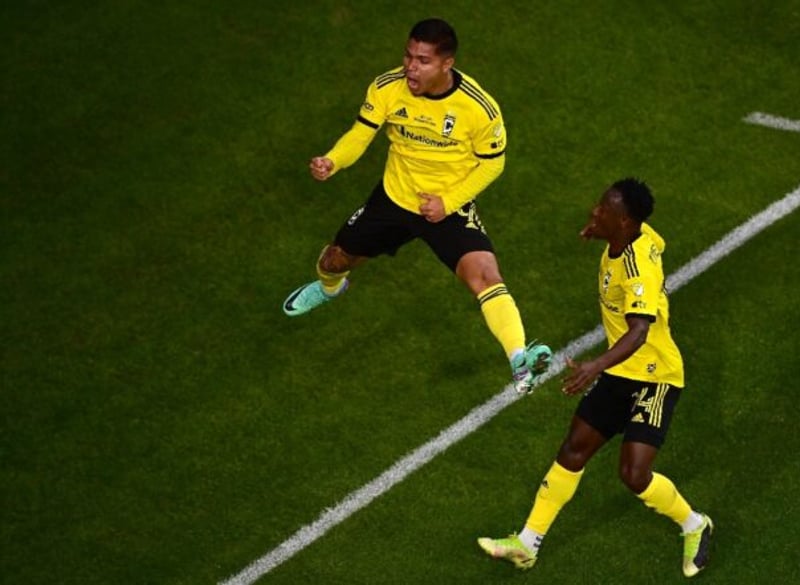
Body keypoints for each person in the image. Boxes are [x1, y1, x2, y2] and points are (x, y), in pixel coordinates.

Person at [282, 18, 550, 392]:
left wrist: (449, 201)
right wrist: (332, 160)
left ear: (446, 64)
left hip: (448, 206)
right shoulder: (387, 87)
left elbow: (494, 162)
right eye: (408, 56)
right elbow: (362, 132)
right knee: (334, 260)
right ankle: (329, 289)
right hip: (392, 199)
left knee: (486, 276)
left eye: (422, 60)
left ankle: (520, 360)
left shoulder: (479, 109)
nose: (410, 66)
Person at [478, 179, 713, 577]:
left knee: (633, 474)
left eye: (602, 210)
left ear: (623, 220)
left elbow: (638, 332)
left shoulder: (636, 269)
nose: (593, 211)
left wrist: (594, 366)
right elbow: (654, 240)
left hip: (654, 376)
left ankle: (695, 525)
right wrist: (602, 231)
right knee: (573, 450)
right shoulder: (629, 237)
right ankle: (527, 543)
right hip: (621, 370)